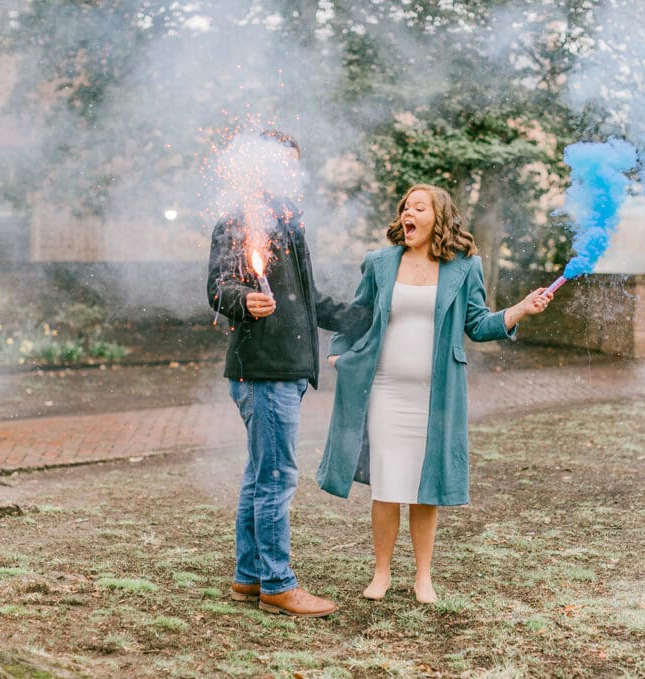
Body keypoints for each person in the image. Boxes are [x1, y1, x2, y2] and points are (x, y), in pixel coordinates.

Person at [316, 183, 551, 604]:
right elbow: (355, 316)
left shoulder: (464, 267)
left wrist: (519, 310)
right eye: (405, 206)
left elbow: (477, 324)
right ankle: (382, 573)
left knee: (427, 488)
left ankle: (424, 577)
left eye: (419, 207)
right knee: (387, 486)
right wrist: (337, 356)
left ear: (437, 218)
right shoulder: (380, 263)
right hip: (385, 391)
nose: (408, 213)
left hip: (436, 395)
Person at [206, 130, 370, 617]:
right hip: (264, 369)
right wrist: (243, 300)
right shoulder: (238, 221)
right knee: (276, 477)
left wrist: (364, 316)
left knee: (261, 475)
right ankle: (278, 583)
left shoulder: (289, 224)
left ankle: (249, 577)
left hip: (288, 369)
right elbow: (218, 287)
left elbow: (307, 299)